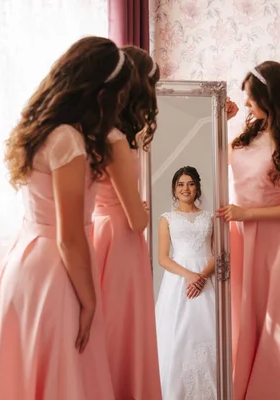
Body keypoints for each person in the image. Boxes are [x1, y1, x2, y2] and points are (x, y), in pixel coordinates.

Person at [0, 36, 132, 400]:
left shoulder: (41, 128)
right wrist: (90, 300)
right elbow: (69, 236)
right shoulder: (68, 139)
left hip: (24, 259)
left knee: (33, 372)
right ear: (101, 93)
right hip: (55, 269)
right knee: (65, 377)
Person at [219, 61, 280, 399]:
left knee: (272, 316)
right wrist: (222, 121)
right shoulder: (245, 137)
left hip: (274, 241)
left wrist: (249, 213)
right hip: (239, 238)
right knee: (241, 318)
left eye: (250, 99)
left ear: (270, 98)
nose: (246, 105)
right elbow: (207, 159)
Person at [91, 46, 161, 400]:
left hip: (104, 229)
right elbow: (137, 219)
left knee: (112, 327)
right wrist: (144, 209)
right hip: (121, 237)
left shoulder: (102, 131)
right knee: (123, 331)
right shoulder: (116, 140)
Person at [155, 166, 217, 399]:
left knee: (207, 329)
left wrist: (201, 276)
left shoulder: (209, 217)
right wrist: (189, 276)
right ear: (174, 189)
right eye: (180, 184)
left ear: (197, 187)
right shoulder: (166, 218)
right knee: (178, 334)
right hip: (178, 282)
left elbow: (217, 253)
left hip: (206, 279)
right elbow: (163, 258)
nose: (185, 188)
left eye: (190, 184)